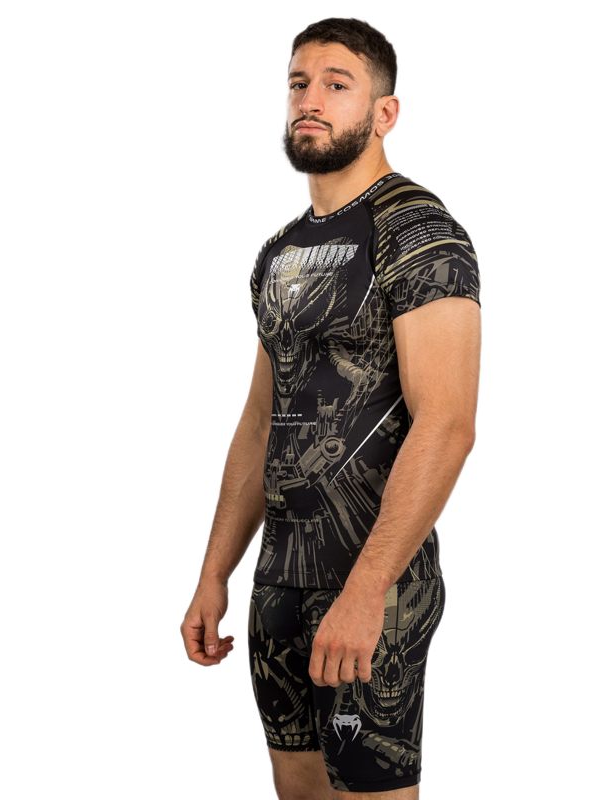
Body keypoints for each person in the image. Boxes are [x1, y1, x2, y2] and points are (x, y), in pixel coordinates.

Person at [181, 17, 481, 799]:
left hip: (373, 583)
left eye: (336, 85)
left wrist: (367, 590)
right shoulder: (278, 253)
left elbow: (447, 425)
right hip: (279, 581)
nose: (309, 100)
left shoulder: (418, 232)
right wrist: (215, 573)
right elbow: (260, 422)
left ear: (384, 113)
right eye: (298, 83)